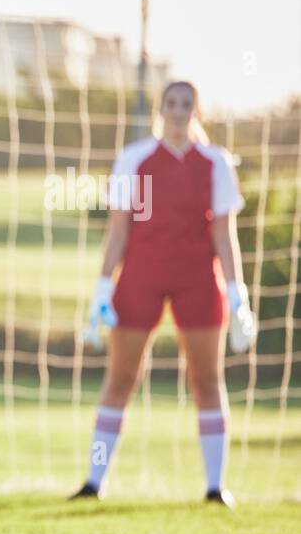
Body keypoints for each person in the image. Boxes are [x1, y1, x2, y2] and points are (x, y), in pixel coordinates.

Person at [77, 80, 256, 506]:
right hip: (142, 274)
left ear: (197, 110)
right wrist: (102, 289)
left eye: (186, 103)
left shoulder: (215, 163)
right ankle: (93, 482)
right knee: (121, 377)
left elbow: (223, 234)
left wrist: (237, 294)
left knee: (207, 380)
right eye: (171, 103)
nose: (178, 111)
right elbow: (118, 232)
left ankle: (215, 487)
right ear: (161, 108)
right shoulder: (134, 159)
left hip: (197, 277)